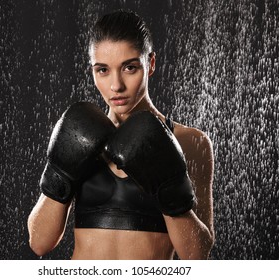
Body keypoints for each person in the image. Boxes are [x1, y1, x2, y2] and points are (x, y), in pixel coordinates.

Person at [27, 9, 214, 260]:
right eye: (102, 70)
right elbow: (39, 243)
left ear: (151, 64)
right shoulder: (77, 133)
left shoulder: (190, 142)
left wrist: (169, 189)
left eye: (129, 67)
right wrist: (60, 174)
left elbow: (197, 255)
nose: (116, 85)